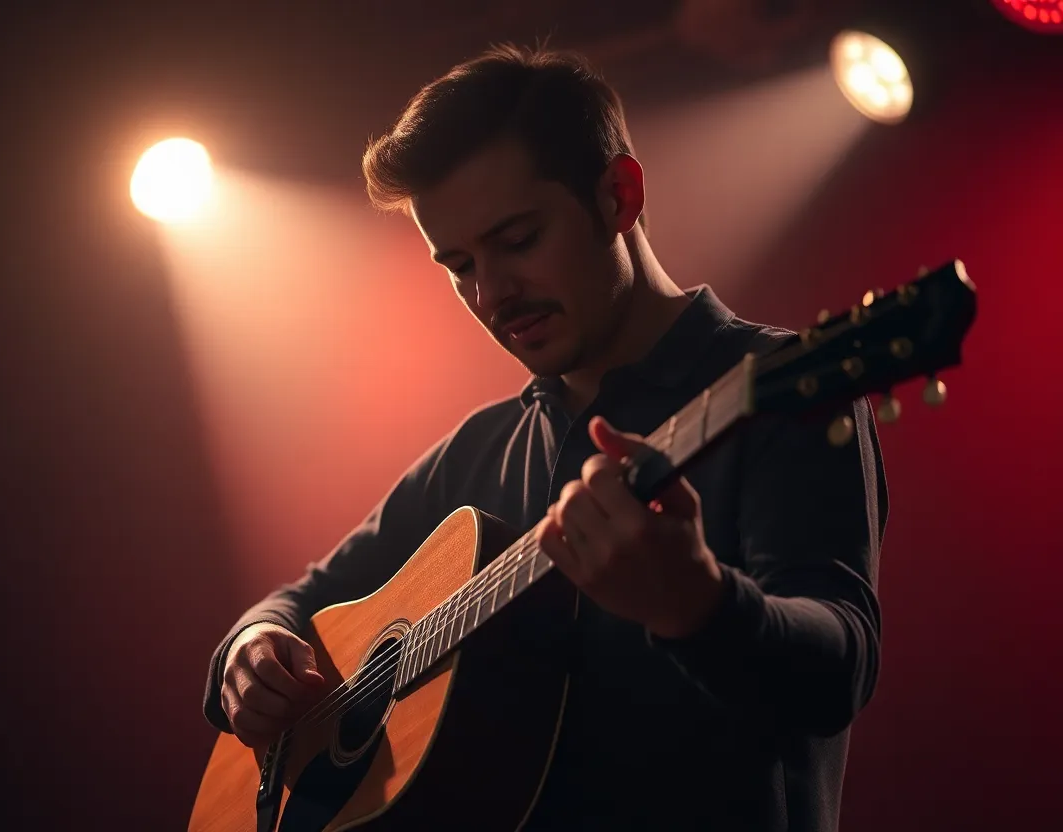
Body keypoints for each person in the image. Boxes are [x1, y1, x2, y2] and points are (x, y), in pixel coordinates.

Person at [202, 43, 886, 831]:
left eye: (518, 239)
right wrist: (251, 649)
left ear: (618, 197)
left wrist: (700, 604)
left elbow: (840, 669)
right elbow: (299, 601)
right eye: (458, 265)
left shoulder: (783, 385)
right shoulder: (477, 452)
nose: (492, 294)